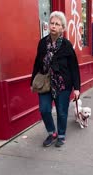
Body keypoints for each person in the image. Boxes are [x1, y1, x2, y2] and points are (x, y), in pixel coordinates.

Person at [31, 11, 81, 148]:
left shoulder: (66, 45)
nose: (53, 26)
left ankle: (61, 135)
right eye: (52, 23)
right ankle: (52, 132)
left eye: (57, 24)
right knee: (44, 109)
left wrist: (77, 88)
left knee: (62, 111)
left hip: (63, 84)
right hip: (45, 83)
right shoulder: (42, 43)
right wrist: (32, 82)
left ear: (62, 28)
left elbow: (74, 67)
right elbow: (37, 63)